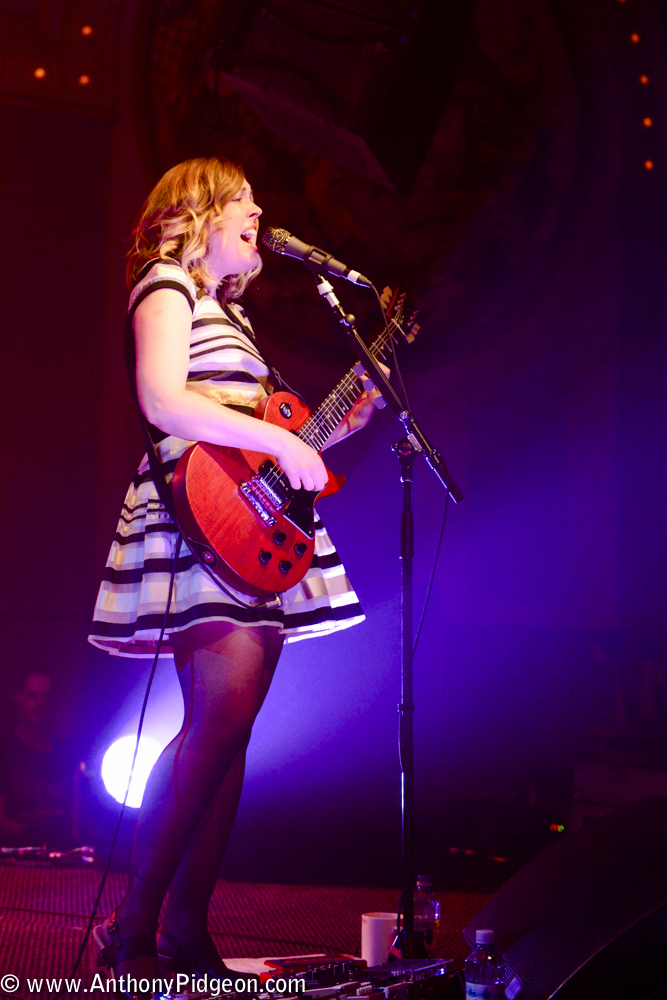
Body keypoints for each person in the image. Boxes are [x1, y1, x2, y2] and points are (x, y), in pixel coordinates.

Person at [88, 157, 385, 995]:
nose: (259, 213)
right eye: (243, 202)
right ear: (198, 212)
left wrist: (336, 426)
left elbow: (261, 441)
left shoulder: (232, 315)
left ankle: (184, 927)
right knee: (217, 720)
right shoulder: (166, 286)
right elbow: (161, 400)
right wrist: (283, 441)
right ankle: (132, 926)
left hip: (247, 523)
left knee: (232, 732)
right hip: (197, 518)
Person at [0, 671, 74, 847]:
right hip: (15, 854)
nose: (40, 703)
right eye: (33, 695)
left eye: (45, 697)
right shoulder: (5, 751)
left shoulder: (64, 754)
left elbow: (75, 814)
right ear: (19, 698)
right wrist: (35, 837)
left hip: (61, 852)